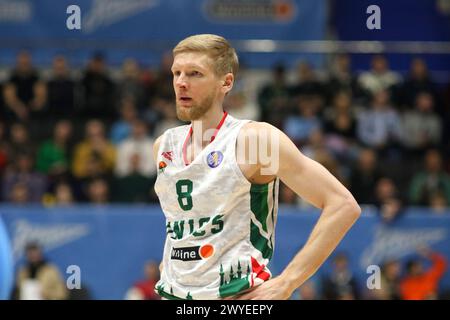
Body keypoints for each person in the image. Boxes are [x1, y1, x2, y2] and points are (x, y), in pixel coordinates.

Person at [153, 34, 361, 300]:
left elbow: (343, 205)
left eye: (195, 74)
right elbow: (179, 224)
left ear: (226, 82)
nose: (181, 82)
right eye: (176, 73)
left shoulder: (255, 140)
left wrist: (287, 282)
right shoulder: (163, 146)